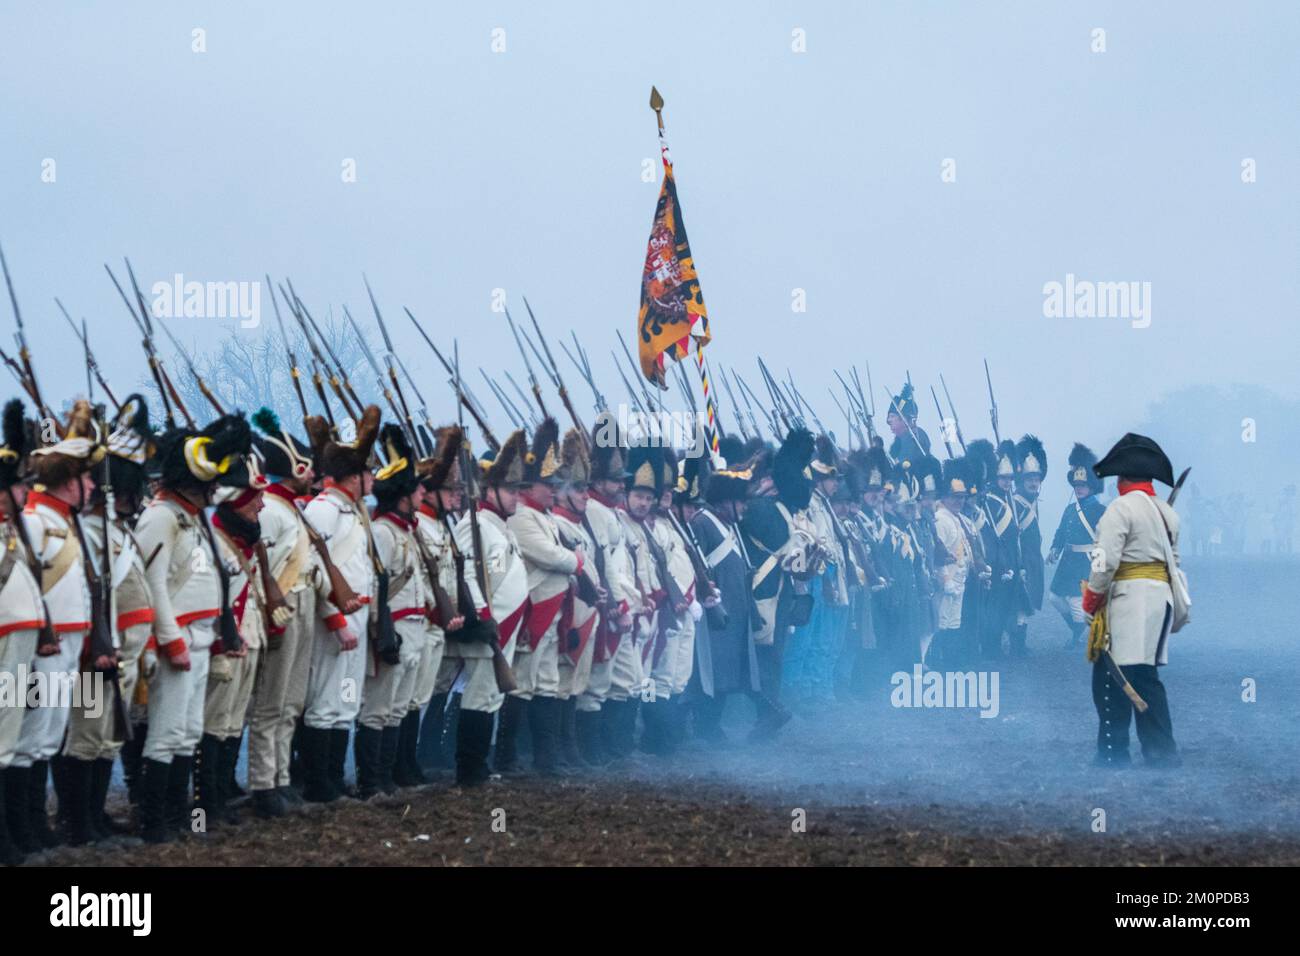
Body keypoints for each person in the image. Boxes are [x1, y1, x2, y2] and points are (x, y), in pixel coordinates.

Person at [134, 412, 253, 842]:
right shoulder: (161, 517)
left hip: (201, 639)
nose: (214, 491)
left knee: (187, 734)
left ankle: (178, 818)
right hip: (178, 643)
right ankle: (154, 823)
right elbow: (154, 586)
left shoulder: (193, 516)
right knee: (165, 735)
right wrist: (170, 640)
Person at [1082, 433, 1187, 769]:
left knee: (1112, 677)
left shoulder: (1119, 509)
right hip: (1159, 599)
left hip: (1128, 600)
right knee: (1143, 675)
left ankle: (1114, 754)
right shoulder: (1166, 513)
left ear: (1122, 478)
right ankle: (1159, 751)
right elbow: (1175, 561)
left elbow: (1104, 560)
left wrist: (1092, 597)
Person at [299, 406, 381, 802]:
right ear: (354, 478)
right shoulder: (324, 510)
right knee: (325, 704)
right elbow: (314, 569)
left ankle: (333, 777)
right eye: (367, 474)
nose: (372, 480)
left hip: (359, 618)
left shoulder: (352, 511)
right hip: (337, 622)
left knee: (346, 703)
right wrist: (335, 619)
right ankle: (319, 784)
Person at [246, 410, 320, 818]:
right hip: (283, 606)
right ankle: (263, 783)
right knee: (271, 703)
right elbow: (260, 570)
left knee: (292, 702)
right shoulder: (272, 511)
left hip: (303, 601)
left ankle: (281, 779)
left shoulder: (292, 508)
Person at [357, 425, 432, 798]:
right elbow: (374, 588)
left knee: (399, 708)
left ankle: (386, 778)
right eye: (417, 488)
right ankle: (371, 782)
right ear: (403, 495)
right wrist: (380, 632)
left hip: (415, 628)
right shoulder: (385, 532)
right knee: (377, 708)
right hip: (396, 630)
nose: (423, 493)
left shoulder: (405, 530)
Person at [507, 418, 581, 776]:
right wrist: (576, 561)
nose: (554, 490)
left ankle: (546, 757)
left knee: (548, 683)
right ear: (529, 485)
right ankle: (507, 756)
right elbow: (551, 556)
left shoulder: (546, 517)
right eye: (547, 484)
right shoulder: (523, 518)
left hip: (554, 612)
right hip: (535, 610)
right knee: (522, 683)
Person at [0, 400, 45, 865]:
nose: (25, 493)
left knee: (12, 739)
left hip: (22, 639)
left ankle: (17, 831)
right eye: (18, 487)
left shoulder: (16, 531)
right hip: (6, 642)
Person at [549, 429, 603, 767]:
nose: (586, 494)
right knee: (560, 683)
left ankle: (569, 747)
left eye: (586, 488)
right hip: (566, 615)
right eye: (579, 488)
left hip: (585, 614)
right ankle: (557, 749)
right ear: (563, 492)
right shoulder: (556, 524)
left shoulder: (578, 526)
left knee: (575, 685)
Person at [1047, 443, 1106, 647]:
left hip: (1086, 561)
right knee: (1054, 598)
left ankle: (1078, 638)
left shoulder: (1100, 510)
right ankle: (1082, 631)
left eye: (1083, 485)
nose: (1079, 488)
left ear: (1092, 487)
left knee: (1075, 601)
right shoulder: (1070, 509)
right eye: (1077, 485)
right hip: (1067, 561)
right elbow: (1061, 532)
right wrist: (1055, 549)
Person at [1012, 435, 1047, 653]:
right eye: (1029, 479)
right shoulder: (1015, 503)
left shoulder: (1032, 502)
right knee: (1019, 605)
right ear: (1021, 481)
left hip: (1032, 558)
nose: (1034, 483)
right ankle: (1017, 646)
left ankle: (1020, 644)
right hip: (1020, 559)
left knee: (1025, 604)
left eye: (1036, 478)